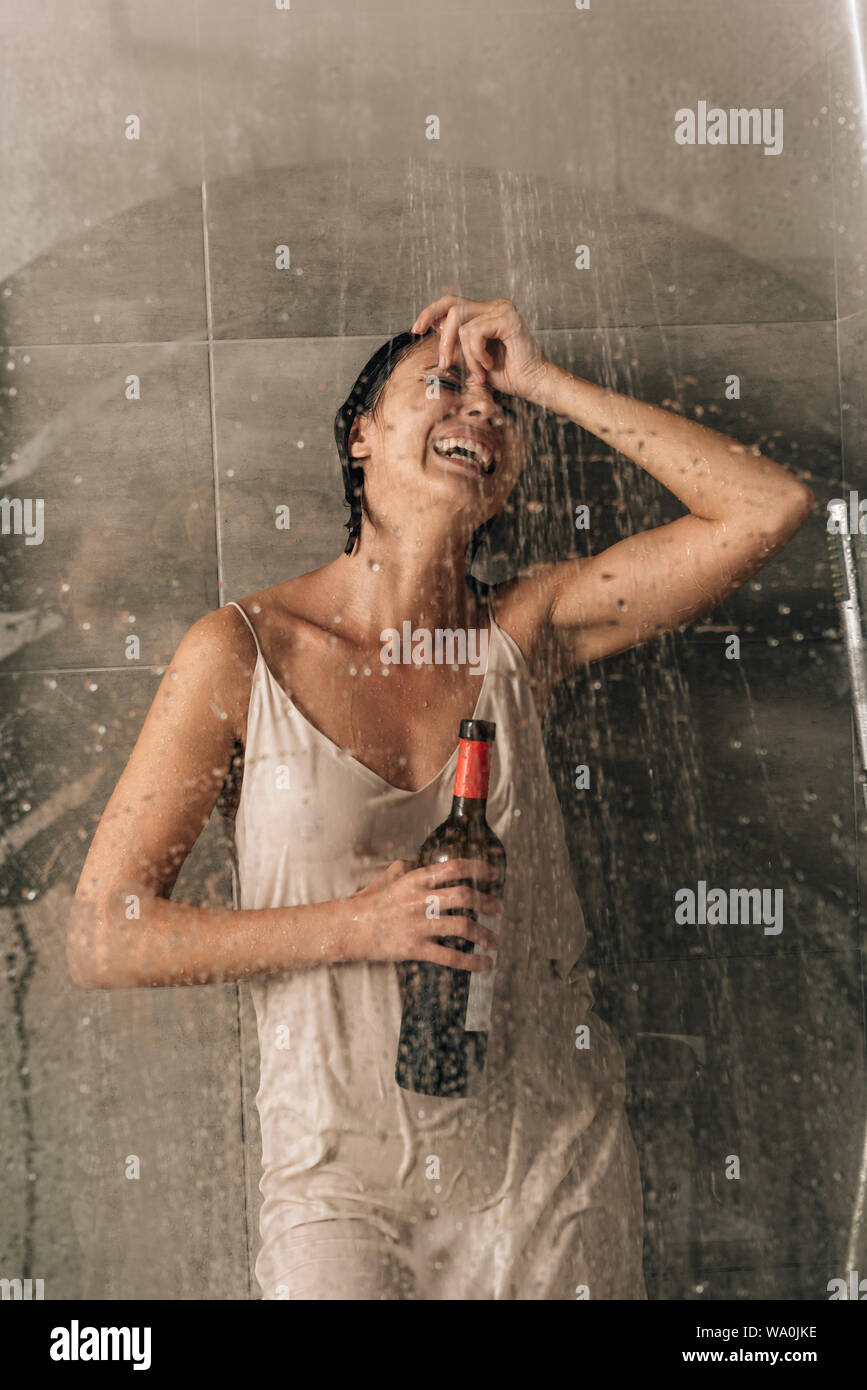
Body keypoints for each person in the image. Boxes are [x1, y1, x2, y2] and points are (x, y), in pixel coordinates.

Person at [69, 295, 813, 1300]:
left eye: (505, 408)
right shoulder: (241, 653)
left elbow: (766, 509)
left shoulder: (526, 626)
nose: (484, 412)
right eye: (445, 383)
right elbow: (105, 935)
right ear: (360, 433)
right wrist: (357, 925)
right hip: (340, 1181)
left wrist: (545, 378)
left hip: (548, 1165)